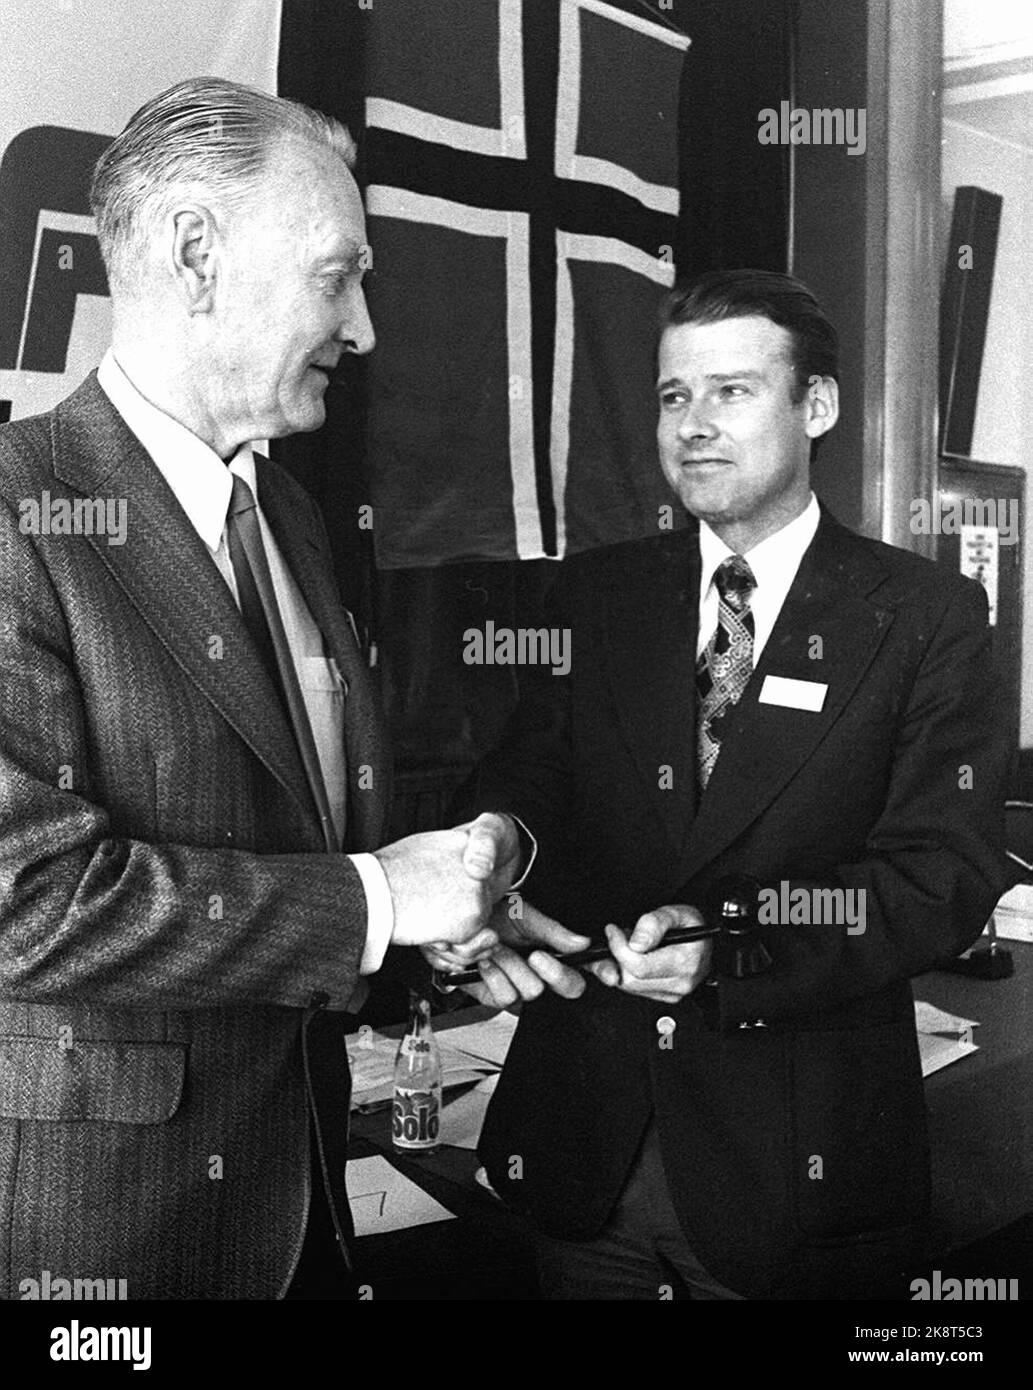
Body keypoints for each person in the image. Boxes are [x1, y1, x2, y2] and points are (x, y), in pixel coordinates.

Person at [0, 77, 537, 1301]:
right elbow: (23, 895)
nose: (363, 328)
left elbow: (295, 854)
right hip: (106, 1254)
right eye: (336, 274)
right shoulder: (15, 511)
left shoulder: (287, 514)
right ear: (197, 254)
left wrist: (425, 927)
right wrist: (372, 899)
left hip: (302, 1218)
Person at [430, 269, 1011, 1299]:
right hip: (582, 1157)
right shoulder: (598, 593)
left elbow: (938, 876)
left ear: (815, 406)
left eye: (732, 391)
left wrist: (728, 951)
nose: (692, 425)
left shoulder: (924, 617)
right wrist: (500, 839)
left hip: (793, 1179)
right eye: (671, 396)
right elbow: (534, 767)